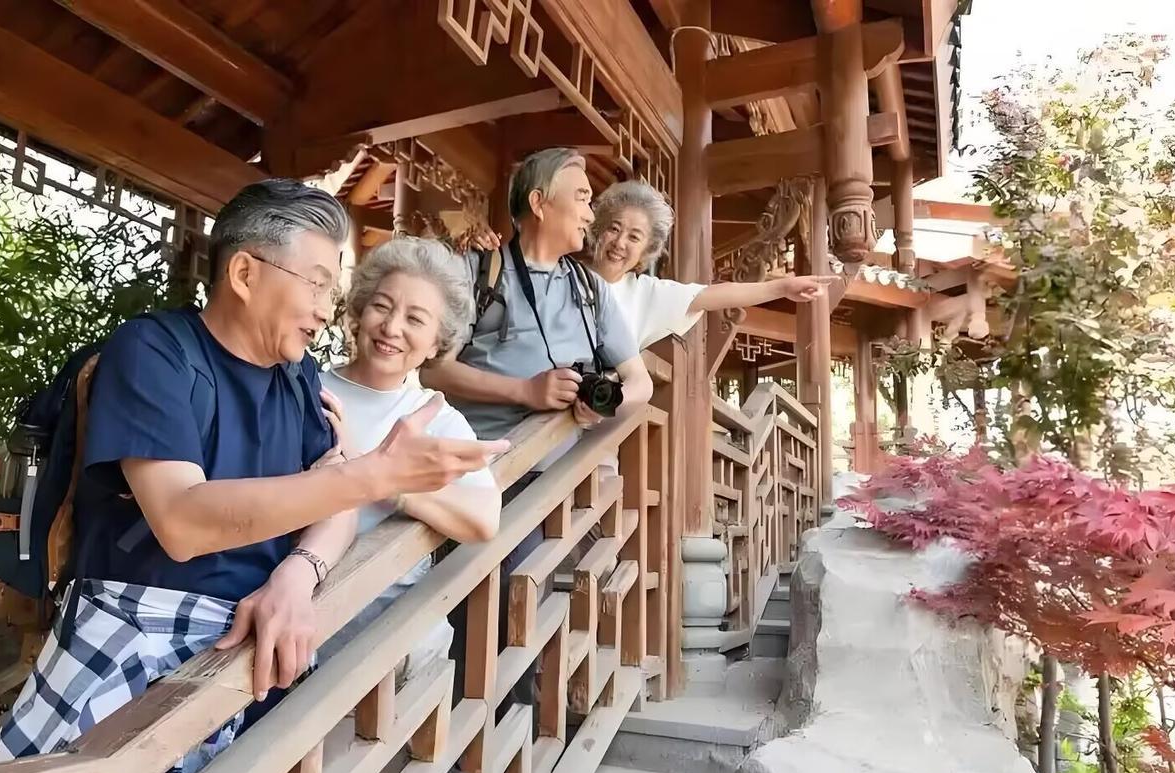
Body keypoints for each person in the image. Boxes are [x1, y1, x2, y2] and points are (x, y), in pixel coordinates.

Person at [0, 180, 507, 773]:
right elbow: (183, 522)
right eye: (316, 281)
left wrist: (298, 574)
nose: (325, 307)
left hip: (255, 641)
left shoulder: (299, 376)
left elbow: (335, 499)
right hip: (136, 625)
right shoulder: (154, 351)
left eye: (330, 287)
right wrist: (372, 474)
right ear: (244, 273)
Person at [421, 147, 653, 712]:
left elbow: (640, 383)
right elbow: (432, 367)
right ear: (538, 202)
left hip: (555, 477)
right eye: (580, 197)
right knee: (479, 612)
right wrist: (524, 392)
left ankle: (508, 748)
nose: (590, 212)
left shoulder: (589, 289)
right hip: (480, 470)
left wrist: (601, 405)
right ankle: (472, 755)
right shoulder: (477, 271)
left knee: (527, 608)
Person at [317, 237, 501, 680]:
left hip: (390, 628)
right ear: (359, 312)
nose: (392, 327)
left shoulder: (436, 417)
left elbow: (483, 519)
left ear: (438, 342)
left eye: (415, 319)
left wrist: (387, 483)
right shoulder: (307, 389)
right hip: (300, 612)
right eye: (382, 306)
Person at [471, 179, 834, 351]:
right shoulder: (560, 270)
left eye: (634, 237)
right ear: (597, 231)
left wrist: (781, 287)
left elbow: (712, 295)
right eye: (614, 229)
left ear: (646, 251)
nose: (619, 243)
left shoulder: (646, 294)